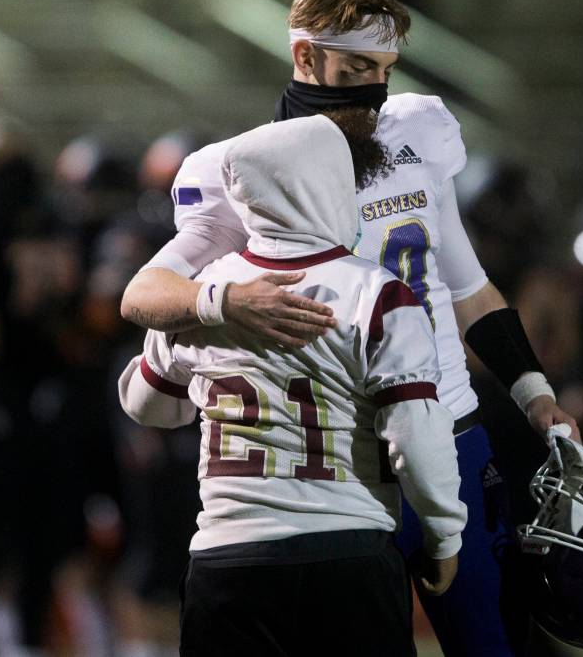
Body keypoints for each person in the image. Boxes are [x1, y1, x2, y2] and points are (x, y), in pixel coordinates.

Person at [120, 0, 578, 656]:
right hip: (338, 471)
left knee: (497, 646)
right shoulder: (248, 169)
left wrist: (535, 392)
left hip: (448, 431)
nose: (375, 90)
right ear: (306, 56)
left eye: (385, 69)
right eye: (358, 65)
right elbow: (145, 294)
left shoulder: (417, 133)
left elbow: (470, 287)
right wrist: (222, 303)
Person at [119, 114, 466, 656]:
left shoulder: (205, 291)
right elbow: (416, 433)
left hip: (229, 558)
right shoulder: (377, 293)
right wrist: (445, 533)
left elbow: (147, 404)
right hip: (347, 550)